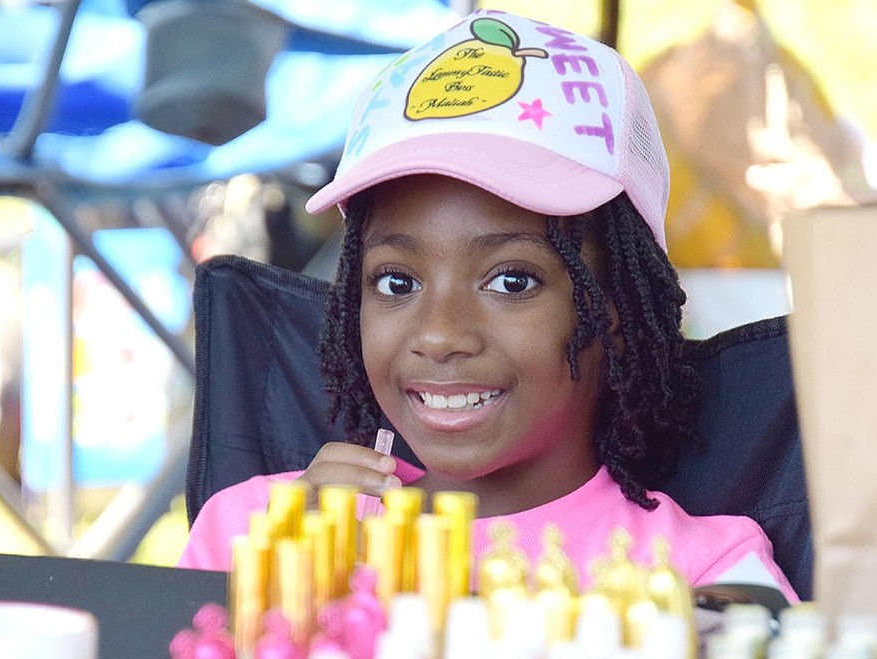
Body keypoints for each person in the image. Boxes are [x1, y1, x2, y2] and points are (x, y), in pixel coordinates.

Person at [177, 8, 798, 603]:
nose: (441, 334)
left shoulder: (703, 579)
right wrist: (280, 594)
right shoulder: (257, 535)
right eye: (397, 283)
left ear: (620, 312)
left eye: (511, 282)